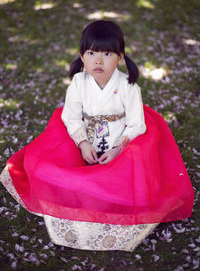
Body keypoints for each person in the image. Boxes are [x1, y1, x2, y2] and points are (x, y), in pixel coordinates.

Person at [0, 20, 194, 252]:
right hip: (85, 134)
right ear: (82, 57)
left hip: (120, 138)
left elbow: (135, 124)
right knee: (44, 166)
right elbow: (71, 117)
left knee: (132, 178)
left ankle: (107, 187)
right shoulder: (79, 82)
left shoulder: (128, 86)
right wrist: (82, 143)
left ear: (120, 57)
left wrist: (117, 149)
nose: (98, 60)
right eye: (91, 53)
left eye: (107, 53)